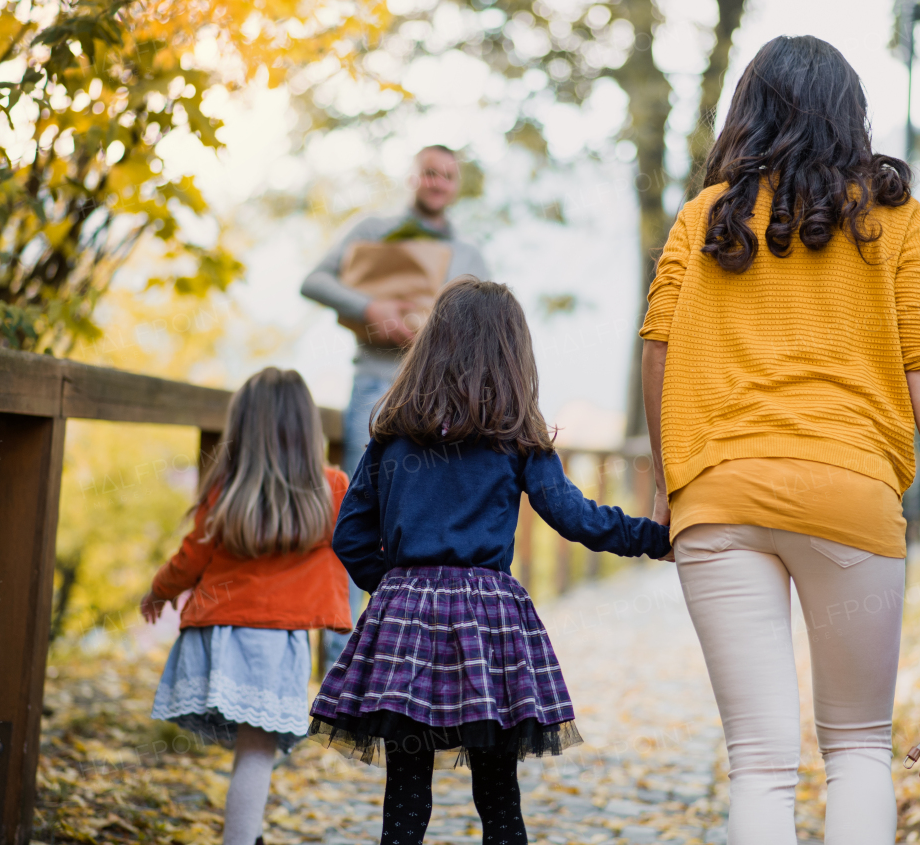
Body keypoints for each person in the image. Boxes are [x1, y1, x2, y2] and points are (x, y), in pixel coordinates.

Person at [639, 36, 920, 845]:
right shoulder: (893, 214)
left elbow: (656, 350)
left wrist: (666, 482)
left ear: (747, 113)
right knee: (859, 746)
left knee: (758, 760)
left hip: (718, 496)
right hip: (850, 492)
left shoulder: (704, 217)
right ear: (850, 112)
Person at [308, 276, 672, 845]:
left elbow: (351, 534)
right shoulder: (517, 436)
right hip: (490, 624)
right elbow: (574, 517)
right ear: (512, 355)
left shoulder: (395, 434)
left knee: (406, 790)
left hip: (406, 621)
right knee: (499, 795)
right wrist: (654, 538)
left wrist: (399, 587)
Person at [139, 367, 351, 845]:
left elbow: (191, 555)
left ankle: (246, 836)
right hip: (275, 643)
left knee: (251, 752)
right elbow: (363, 547)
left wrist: (159, 591)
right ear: (306, 427)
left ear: (244, 428)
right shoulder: (331, 488)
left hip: (221, 635)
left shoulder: (227, 488)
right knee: (256, 753)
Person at [300, 144, 490, 668]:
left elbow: (490, 329)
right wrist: (370, 307)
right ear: (414, 177)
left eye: (448, 176)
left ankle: (410, 655)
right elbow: (312, 281)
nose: (437, 182)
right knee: (363, 515)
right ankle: (345, 658)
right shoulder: (372, 230)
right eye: (430, 172)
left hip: (445, 401)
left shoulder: (470, 255)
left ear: (456, 185)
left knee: (427, 520)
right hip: (376, 386)